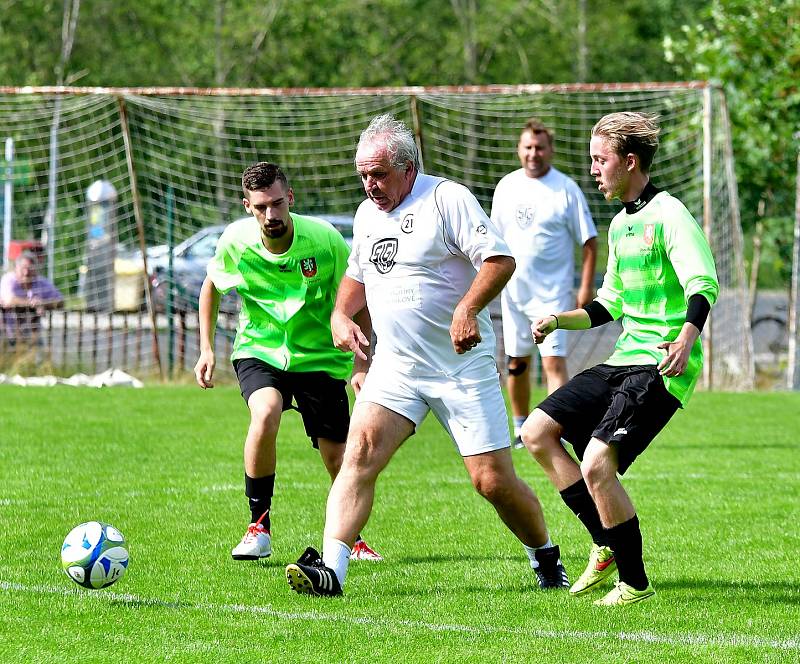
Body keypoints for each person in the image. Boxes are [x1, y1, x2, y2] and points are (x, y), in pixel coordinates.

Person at [285, 114, 569, 597]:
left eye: (378, 174)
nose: (369, 185)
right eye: (363, 175)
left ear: (408, 167)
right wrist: (340, 315)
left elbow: (499, 259)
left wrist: (467, 308)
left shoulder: (446, 199)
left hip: (460, 368)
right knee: (358, 456)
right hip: (396, 367)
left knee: (491, 481)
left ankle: (545, 556)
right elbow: (358, 276)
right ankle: (331, 569)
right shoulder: (367, 214)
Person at [520, 112, 719, 606]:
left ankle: (635, 582)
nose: (593, 169)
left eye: (599, 160)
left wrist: (686, 337)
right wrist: (558, 319)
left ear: (630, 162)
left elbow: (703, 284)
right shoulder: (621, 223)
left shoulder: (670, 214)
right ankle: (606, 542)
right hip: (623, 359)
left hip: (659, 365)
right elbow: (609, 304)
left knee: (595, 463)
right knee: (536, 432)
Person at [194, 162, 381, 562]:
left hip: (320, 356)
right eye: (261, 207)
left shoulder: (324, 240)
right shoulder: (235, 241)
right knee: (266, 411)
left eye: (278, 204)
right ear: (248, 206)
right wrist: (206, 349)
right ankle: (258, 527)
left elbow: (357, 298)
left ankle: (353, 539)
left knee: (337, 456)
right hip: (260, 350)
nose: (271, 215)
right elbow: (211, 285)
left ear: (290, 198)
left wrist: (362, 364)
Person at [491, 118, 597, 448]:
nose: (533, 153)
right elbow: (493, 240)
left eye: (540, 147)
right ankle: (522, 428)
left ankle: (557, 430)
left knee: (552, 361)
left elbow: (590, 241)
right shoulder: (506, 186)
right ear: (519, 150)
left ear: (550, 150)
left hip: (552, 294)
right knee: (517, 362)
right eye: (528, 147)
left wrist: (585, 287)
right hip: (513, 294)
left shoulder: (566, 189)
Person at [0, 250, 63, 344]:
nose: (26, 273)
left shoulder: (42, 282)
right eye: (23, 268)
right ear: (16, 268)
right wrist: (32, 303)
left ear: (36, 269)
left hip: (33, 337)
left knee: (40, 355)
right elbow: (8, 300)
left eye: (30, 269)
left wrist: (43, 303)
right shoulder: (8, 279)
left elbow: (60, 301)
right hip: (8, 336)